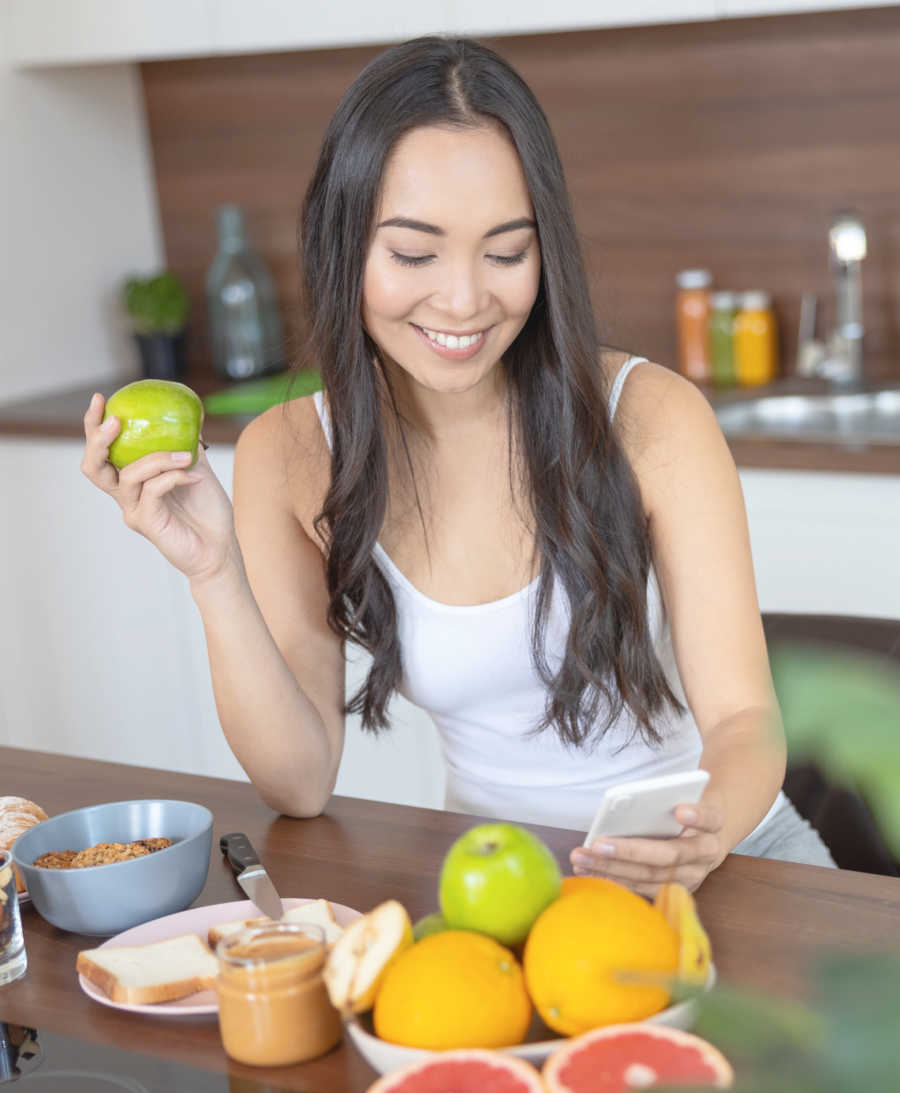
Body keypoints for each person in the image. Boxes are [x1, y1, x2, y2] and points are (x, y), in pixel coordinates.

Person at [81, 36, 834, 893]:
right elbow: (298, 780)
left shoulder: (652, 417)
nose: (466, 299)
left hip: (730, 861)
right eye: (412, 254)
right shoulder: (289, 453)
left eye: (507, 252)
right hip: (502, 888)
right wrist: (213, 572)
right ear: (345, 246)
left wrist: (697, 836)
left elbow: (745, 720)